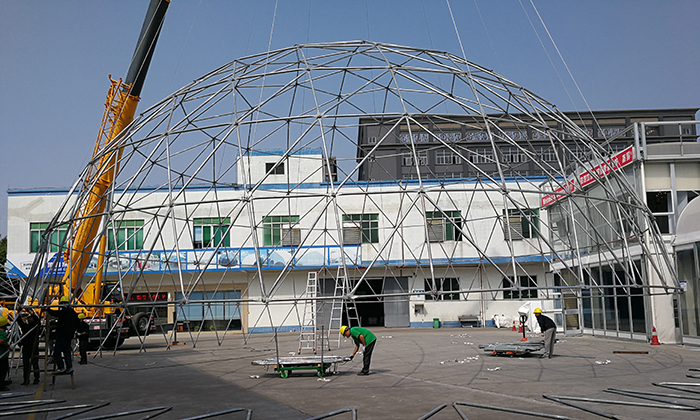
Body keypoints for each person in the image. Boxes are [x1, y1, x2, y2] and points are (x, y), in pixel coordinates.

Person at [47, 296, 78, 373]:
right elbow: (77, 323)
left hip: (62, 334)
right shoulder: (73, 312)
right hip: (69, 335)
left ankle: (61, 367)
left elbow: (56, 314)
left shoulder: (64, 311)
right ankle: (69, 367)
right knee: (66, 351)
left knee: (57, 352)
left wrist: (48, 309)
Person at [17, 310, 41, 385]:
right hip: (26, 347)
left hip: (33, 347)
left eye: (31, 318)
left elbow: (38, 320)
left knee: (35, 364)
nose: (29, 319)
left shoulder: (36, 327)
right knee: (26, 365)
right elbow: (19, 322)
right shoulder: (26, 327)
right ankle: (26, 379)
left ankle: (36, 379)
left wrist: (30, 311)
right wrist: (18, 312)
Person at [0, 317, 10, 390]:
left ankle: (2, 382)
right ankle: (1, 385)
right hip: (2, 355)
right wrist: (7, 345)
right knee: (2, 370)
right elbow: (1, 342)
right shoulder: (2, 333)